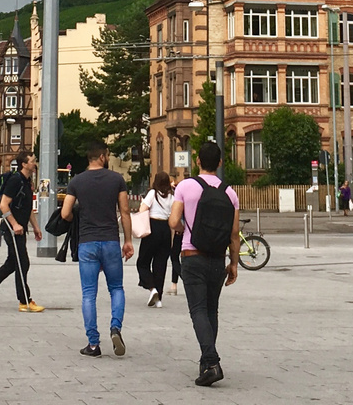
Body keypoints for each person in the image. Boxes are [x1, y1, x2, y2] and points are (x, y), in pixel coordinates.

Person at [167, 140, 240, 387]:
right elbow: (233, 234)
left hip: (192, 255)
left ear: (198, 161)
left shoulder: (186, 186)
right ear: (220, 163)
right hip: (218, 259)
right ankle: (206, 363)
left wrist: (183, 229)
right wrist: (234, 264)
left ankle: (211, 362)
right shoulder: (230, 193)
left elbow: (173, 220)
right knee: (211, 310)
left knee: (197, 310)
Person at [62, 139, 133, 357]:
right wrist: (128, 241)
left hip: (87, 242)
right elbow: (124, 211)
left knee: (88, 294)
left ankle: (93, 344)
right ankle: (115, 327)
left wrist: (78, 217)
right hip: (111, 241)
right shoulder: (116, 179)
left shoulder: (77, 181)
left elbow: (65, 213)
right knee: (116, 288)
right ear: (102, 157)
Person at [0, 151, 44, 312]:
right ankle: (25, 301)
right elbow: (3, 205)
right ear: (24, 164)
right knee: (22, 263)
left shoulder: (27, 182)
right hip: (12, 229)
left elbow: (27, 209)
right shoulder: (15, 180)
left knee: (13, 263)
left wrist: (35, 227)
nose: (35, 163)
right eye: (32, 161)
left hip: (19, 229)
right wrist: (14, 225)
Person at [136, 172, 175, 306]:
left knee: (142, 261)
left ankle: (152, 288)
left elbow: (143, 209)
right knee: (160, 265)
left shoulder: (153, 193)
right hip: (165, 229)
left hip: (152, 228)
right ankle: (159, 298)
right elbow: (172, 218)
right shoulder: (172, 196)